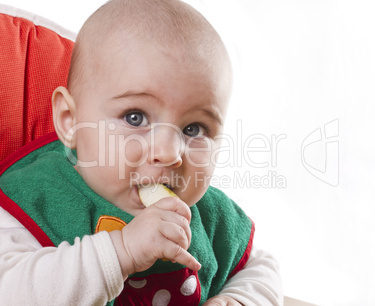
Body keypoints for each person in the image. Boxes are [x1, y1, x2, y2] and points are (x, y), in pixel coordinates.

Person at [0, 0, 282, 304]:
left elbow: (261, 269)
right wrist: (122, 252)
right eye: (135, 118)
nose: (168, 152)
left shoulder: (207, 215)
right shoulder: (34, 200)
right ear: (71, 121)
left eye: (194, 129)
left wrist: (238, 299)